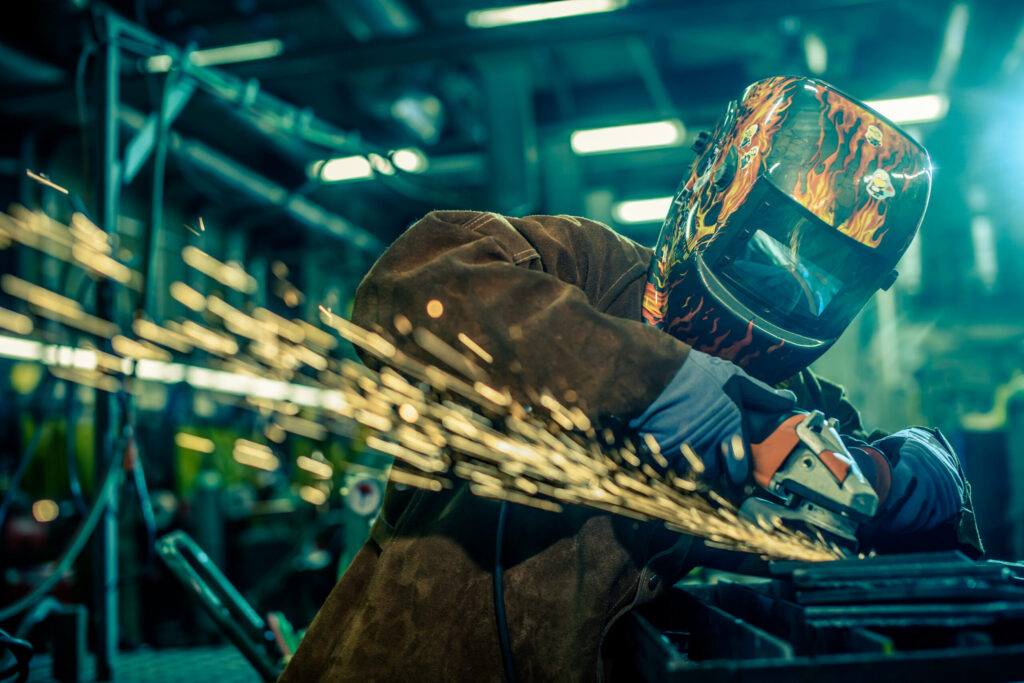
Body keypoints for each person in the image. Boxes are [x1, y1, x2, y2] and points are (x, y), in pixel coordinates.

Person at [279, 76, 982, 682]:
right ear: (718, 191)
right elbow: (407, 289)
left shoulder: (783, 395)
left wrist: (909, 476)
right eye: (769, 251)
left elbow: (906, 519)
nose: (788, 289)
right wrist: (665, 387)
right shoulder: (585, 265)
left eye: (823, 281)